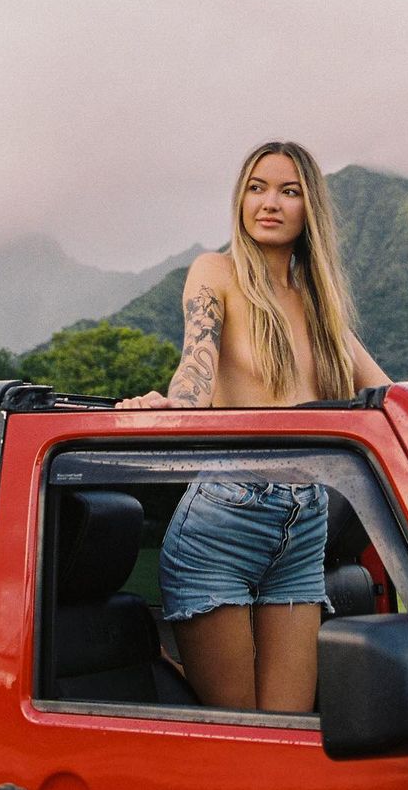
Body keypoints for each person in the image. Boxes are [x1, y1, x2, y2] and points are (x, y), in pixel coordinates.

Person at [116, 141, 390, 712]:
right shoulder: (215, 272)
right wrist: (167, 407)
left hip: (306, 525)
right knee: (238, 729)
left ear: (310, 208)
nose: (269, 203)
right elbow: (196, 369)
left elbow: (390, 399)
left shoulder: (321, 306)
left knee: (286, 728)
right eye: (256, 188)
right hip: (225, 519)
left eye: (289, 191)